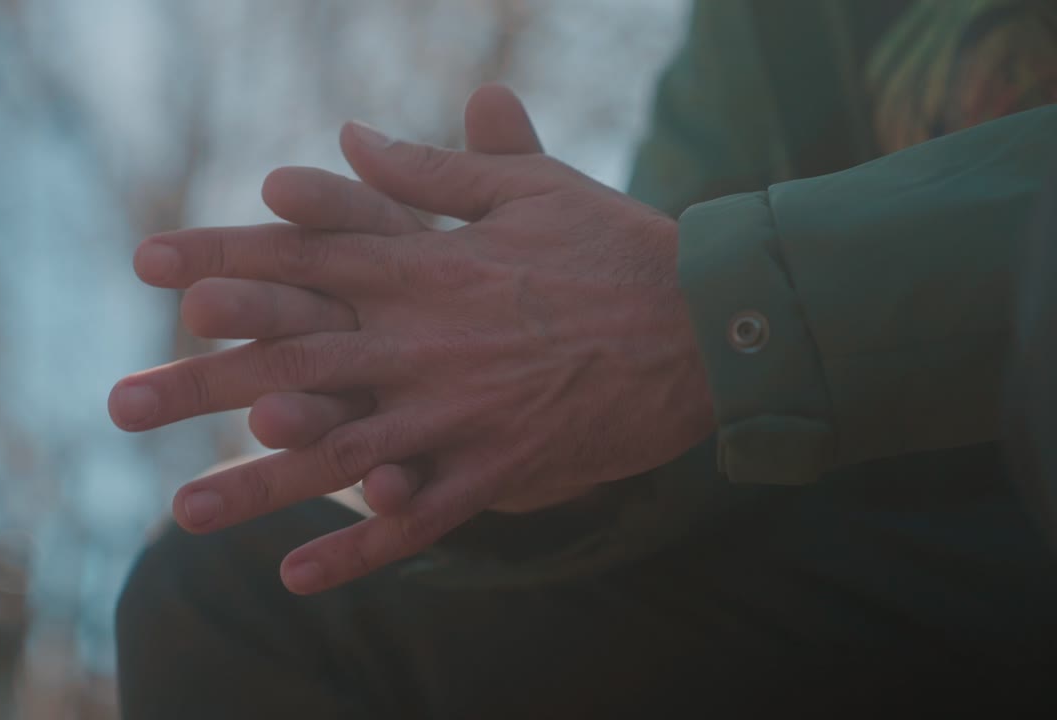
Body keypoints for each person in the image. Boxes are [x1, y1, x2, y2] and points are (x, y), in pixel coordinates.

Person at [110, 1, 1057, 716]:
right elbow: (668, 353)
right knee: (227, 595)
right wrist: (558, 469)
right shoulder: (751, 34)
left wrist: (723, 311)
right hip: (880, 566)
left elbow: (698, 309)